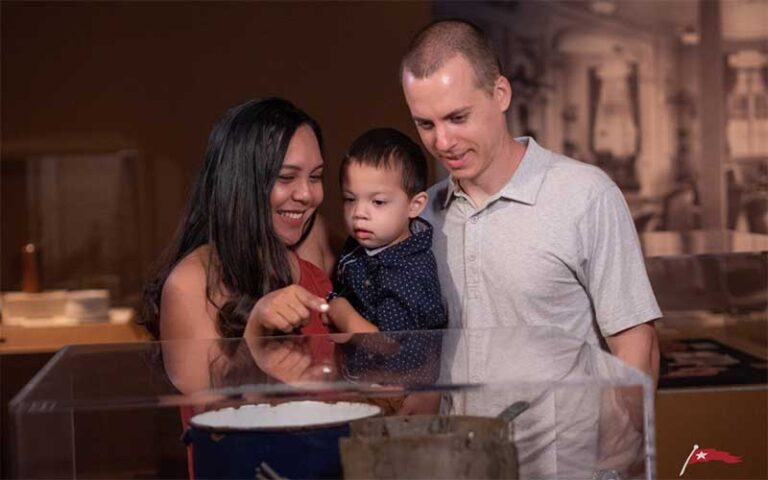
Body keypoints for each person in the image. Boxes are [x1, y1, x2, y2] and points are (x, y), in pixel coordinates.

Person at [399, 20, 661, 477]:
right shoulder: (423, 219)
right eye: (426, 123)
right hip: (462, 464)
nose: (442, 142)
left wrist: (615, 459)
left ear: (500, 93)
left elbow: (636, 343)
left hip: (568, 467)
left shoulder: (585, 195)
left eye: (458, 117)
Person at [141, 97, 335, 393]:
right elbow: (212, 424)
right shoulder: (190, 283)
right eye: (286, 177)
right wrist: (254, 338)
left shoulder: (312, 274)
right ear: (241, 182)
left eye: (316, 177)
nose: (307, 194)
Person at [324, 128, 447, 414]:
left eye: (377, 202)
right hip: (360, 386)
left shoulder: (410, 270)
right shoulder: (360, 245)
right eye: (350, 199)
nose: (359, 213)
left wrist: (342, 313)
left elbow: (388, 345)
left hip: (397, 397)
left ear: (414, 205)